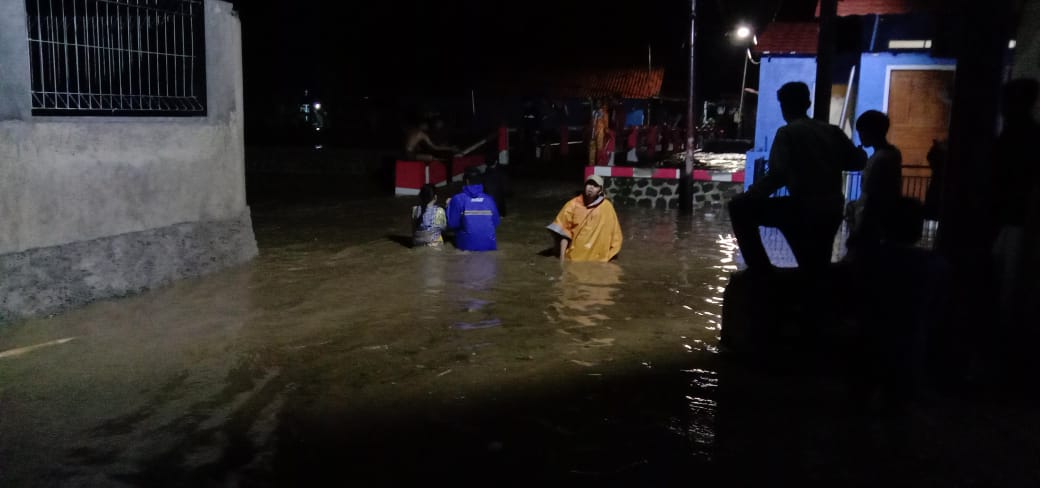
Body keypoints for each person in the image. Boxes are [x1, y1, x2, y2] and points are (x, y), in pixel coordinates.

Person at [728, 81, 867, 272]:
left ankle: (761, 271)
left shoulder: (787, 133)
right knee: (816, 264)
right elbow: (857, 162)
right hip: (832, 209)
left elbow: (778, 175)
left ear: (783, 107)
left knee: (738, 207)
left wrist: (749, 195)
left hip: (802, 208)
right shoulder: (831, 131)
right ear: (808, 105)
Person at [847, 110, 903, 253]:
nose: (860, 136)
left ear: (871, 131)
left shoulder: (879, 159)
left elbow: (870, 197)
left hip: (871, 222)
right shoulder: (893, 154)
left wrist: (858, 228)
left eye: (862, 131)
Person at [547, 174, 623, 262]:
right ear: (584, 186)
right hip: (575, 257)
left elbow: (614, 234)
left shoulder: (607, 207)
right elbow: (563, 233)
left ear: (600, 190)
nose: (591, 188)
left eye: (595, 186)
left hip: (599, 259)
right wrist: (562, 260)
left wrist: (612, 257)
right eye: (589, 184)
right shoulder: (572, 205)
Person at [447, 168, 500, 251]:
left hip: (466, 246)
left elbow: (452, 224)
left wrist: (449, 207)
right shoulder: (489, 199)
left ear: (467, 181)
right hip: (489, 245)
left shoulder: (458, 199)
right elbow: (496, 223)